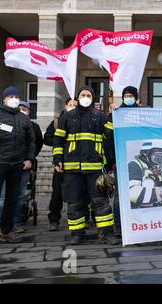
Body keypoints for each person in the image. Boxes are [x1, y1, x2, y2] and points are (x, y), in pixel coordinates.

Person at [53, 86, 119, 245]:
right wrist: (57, 159)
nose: (85, 97)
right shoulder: (67, 117)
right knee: (75, 203)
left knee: (101, 202)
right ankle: (77, 234)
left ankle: (106, 234)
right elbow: (58, 140)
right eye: (83, 94)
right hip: (72, 169)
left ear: (93, 98)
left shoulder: (100, 117)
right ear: (77, 97)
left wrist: (113, 116)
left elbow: (109, 138)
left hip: (95, 168)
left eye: (88, 95)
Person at [0, 86, 35, 243]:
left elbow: (31, 140)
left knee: (12, 198)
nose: (14, 99)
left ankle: (7, 230)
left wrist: (29, 158)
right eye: (10, 96)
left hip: (17, 163)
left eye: (16, 96)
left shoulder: (23, 118)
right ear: (4, 99)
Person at [106, 86, 140, 237]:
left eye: (131, 95)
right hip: (120, 161)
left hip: (137, 162)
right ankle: (118, 226)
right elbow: (108, 140)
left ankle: (138, 224)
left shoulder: (143, 114)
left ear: (136, 98)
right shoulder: (115, 115)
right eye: (126, 95)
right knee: (120, 196)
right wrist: (112, 161)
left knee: (138, 194)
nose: (128, 98)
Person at [43, 98, 77, 231]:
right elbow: (47, 138)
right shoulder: (57, 122)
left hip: (76, 162)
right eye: (70, 105)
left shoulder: (80, 120)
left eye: (75, 105)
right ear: (65, 106)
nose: (72, 107)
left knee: (78, 193)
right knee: (57, 193)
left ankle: (79, 219)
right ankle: (54, 220)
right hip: (60, 162)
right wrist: (59, 142)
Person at [11, 101, 43, 232]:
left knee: (20, 194)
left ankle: (16, 222)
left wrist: (30, 158)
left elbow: (37, 143)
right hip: (8, 163)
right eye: (19, 108)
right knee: (4, 196)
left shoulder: (33, 126)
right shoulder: (7, 123)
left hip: (25, 164)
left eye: (24, 109)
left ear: (29, 111)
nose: (21, 110)